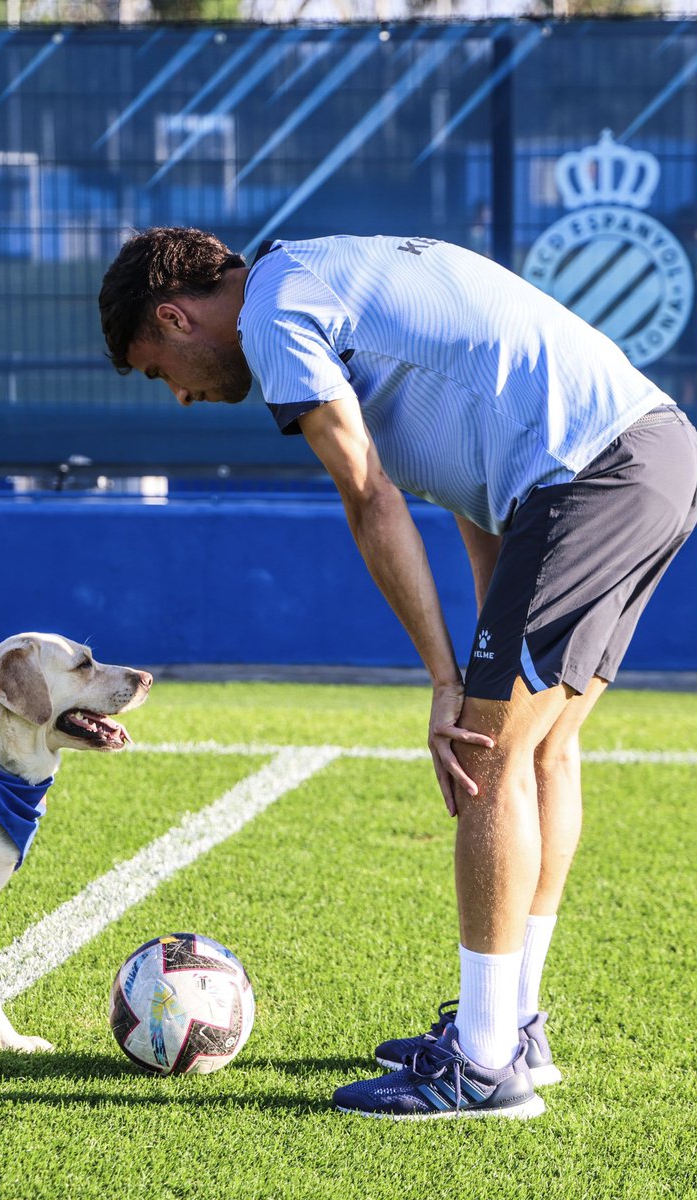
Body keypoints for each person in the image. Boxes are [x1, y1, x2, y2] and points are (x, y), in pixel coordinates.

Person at [98, 227, 697, 1120]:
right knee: (537, 752)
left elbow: (369, 492)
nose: (181, 396)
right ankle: (514, 1026)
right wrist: (477, 663)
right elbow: (480, 478)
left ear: (176, 316)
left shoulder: (274, 312)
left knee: (482, 757)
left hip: (591, 476)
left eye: (161, 370)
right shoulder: (323, 274)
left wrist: (446, 681)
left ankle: (484, 1065)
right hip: (646, 457)